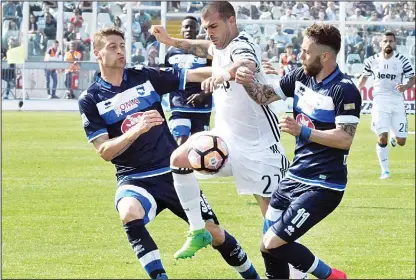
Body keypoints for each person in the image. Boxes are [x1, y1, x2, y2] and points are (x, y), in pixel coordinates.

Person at [78, 27, 260, 280]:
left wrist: (239, 72)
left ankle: (252, 276)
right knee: (129, 212)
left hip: (175, 175)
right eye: (112, 46)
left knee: (214, 233)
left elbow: (195, 74)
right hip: (134, 178)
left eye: (122, 45)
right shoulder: (91, 99)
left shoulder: (144, 77)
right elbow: (105, 151)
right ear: (97, 53)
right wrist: (137, 130)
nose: (120, 50)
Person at [150, 2, 307, 279]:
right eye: (206, 27)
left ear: (231, 22)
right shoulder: (218, 44)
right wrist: (172, 41)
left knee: (275, 228)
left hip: (260, 149)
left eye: (214, 26)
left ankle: (299, 273)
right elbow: (204, 47)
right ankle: (199, 229)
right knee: (179, 159)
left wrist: (224, 73)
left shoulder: (241, 44)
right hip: (225, 140)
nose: (209, 32)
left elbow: (245, 62)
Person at [235, 23, 362, 279]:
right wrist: (246, 82)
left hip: (324, 185)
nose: (300, 56)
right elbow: (264, 95)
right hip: (293, 177)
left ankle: (331, 276)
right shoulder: (299, 76)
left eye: (306, 52)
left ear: (325, 56)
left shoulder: (344, 89)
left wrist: (302, 131)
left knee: (273, 243)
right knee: (267, 246)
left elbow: (344, 139)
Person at [357, 31, 415, 179]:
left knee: (401, 141)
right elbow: (363, 79)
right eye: (386, 41)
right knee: (381, 137)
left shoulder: (402, 60)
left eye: (391, 41)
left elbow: (413, 78)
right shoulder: (372, 60)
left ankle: (394, 137)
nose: (388, 43)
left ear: (395, 43)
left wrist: (406, 87)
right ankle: (385, 170)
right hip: (379, 101)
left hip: (397, 102)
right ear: (381, 43)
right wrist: (356, 92)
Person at [164, 16, 213, 146]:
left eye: (193, 27)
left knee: (201, 146)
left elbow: (215, 77)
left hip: (202, 105)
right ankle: (177, 167)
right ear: (181, 30)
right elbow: (164, 78)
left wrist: (203, 95)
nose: (189, 29)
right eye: (186, 26)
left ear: (198, 31)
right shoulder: (171, 53)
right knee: (180, 141)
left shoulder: (206, 53)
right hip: (179, 103)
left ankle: (194, 168)